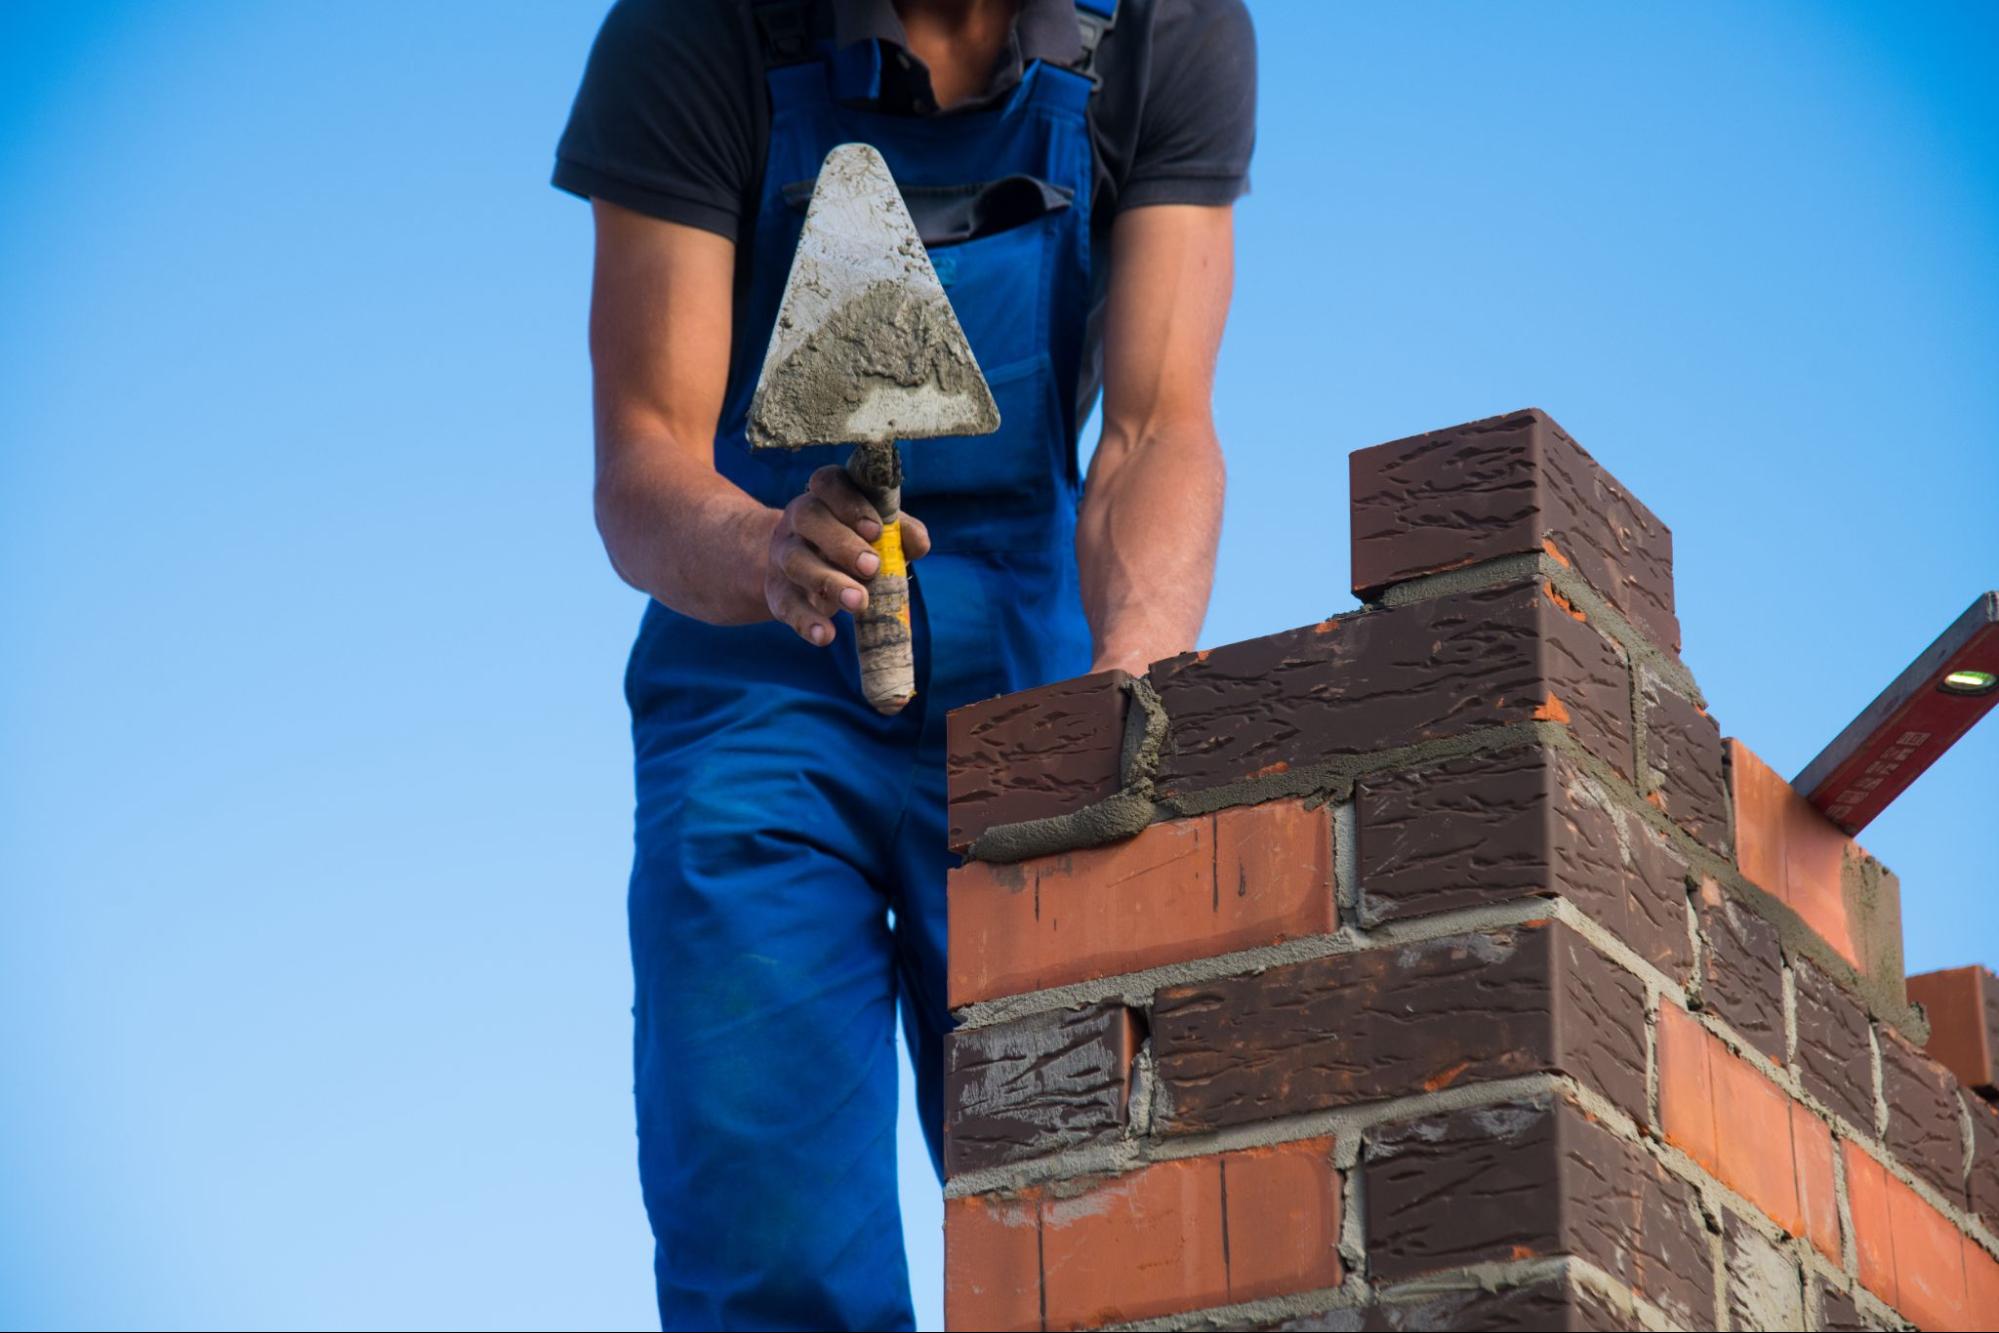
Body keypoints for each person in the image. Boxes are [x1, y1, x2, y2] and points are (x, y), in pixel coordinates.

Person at [552, 0, 1254, 1326]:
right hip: (759, 682)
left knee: (1096, 1216)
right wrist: (766, 550)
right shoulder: (695, 32)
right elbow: (643, 462)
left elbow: (1159, 426)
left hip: (1029, 674)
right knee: (772, 1243)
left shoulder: (1168, 27)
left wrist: (1136, 674)